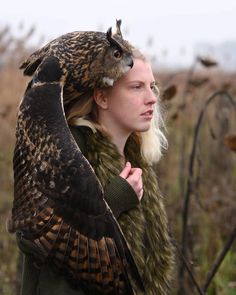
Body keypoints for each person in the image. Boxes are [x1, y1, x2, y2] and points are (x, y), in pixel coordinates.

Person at [17, 49, 174, 295]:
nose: (152, 98)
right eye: (136, 87)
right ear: (102, 97)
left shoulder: (137, 162)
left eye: (152, 87)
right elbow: (34, 234)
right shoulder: (66, 149)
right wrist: (112, 201)